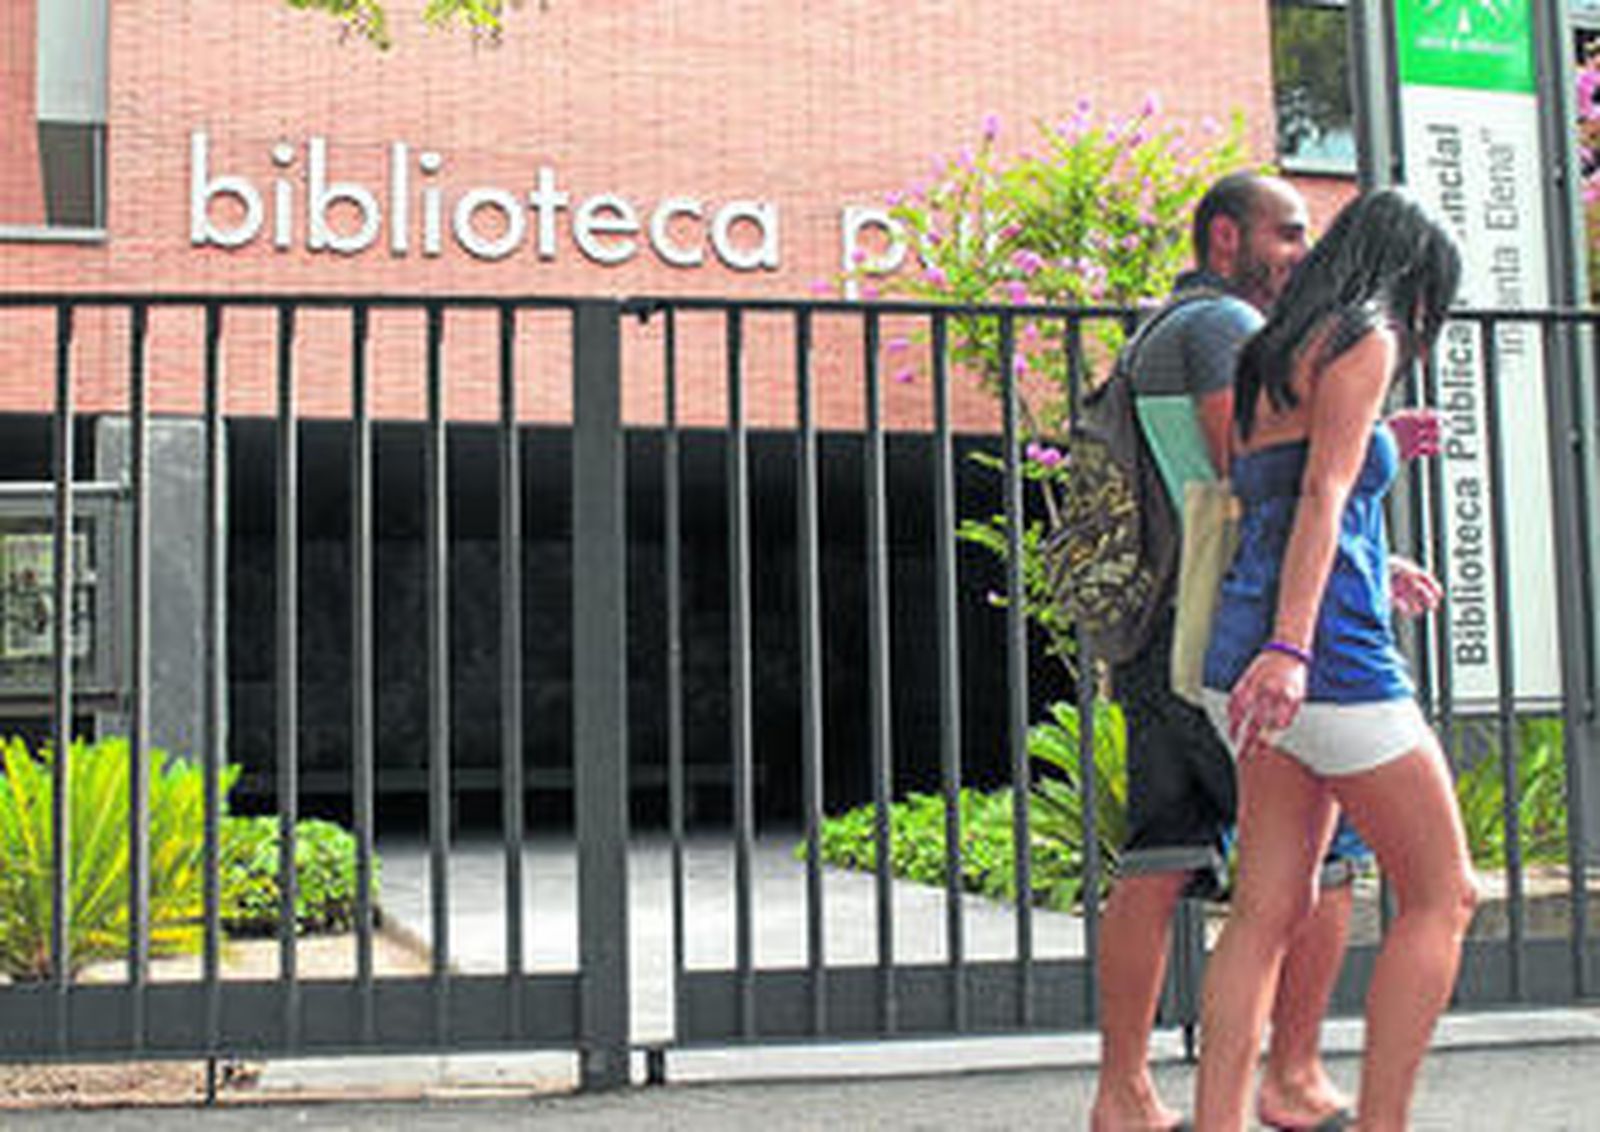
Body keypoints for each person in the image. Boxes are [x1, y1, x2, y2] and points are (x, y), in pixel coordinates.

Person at [1192, 188, 1475, 1132]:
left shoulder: (1269, 347)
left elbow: (1269, 493)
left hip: (1244, 653)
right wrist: (1293, 645)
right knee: (1444, 894)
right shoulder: (1369, 335)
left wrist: (1375, 525)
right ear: (1412, 275)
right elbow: (1321, 494)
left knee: (1265, 909)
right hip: (1325, 660)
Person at [1091, 172, 1368, 1132]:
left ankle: (1124, 1094)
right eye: (1285, 233)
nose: (1301, 251)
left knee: (1160, 855)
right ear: (1223, 239)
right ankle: (1291, 1077)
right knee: (1328, 850)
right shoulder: (1224, 329)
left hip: (1162, 632)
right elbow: (1254, 478)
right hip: (1228, 636)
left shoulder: (1158, 330)